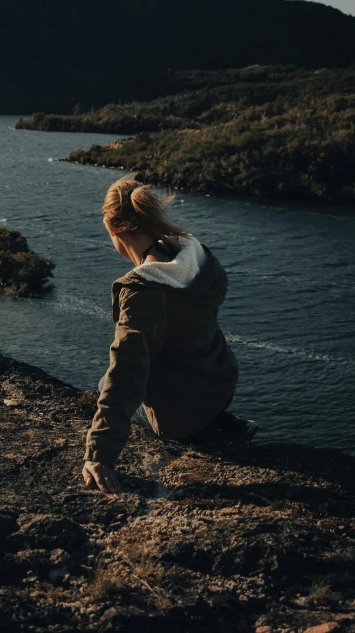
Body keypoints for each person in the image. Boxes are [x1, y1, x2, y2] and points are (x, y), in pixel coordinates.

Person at [82, 176, 257, 495]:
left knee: (103, 385)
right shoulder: (196, 256)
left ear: (114, 231)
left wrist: (99, 456)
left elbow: (125, 376)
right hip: (220, 383)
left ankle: (199, 430)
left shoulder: (143, 293)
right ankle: (221, 424)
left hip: (182, 418)